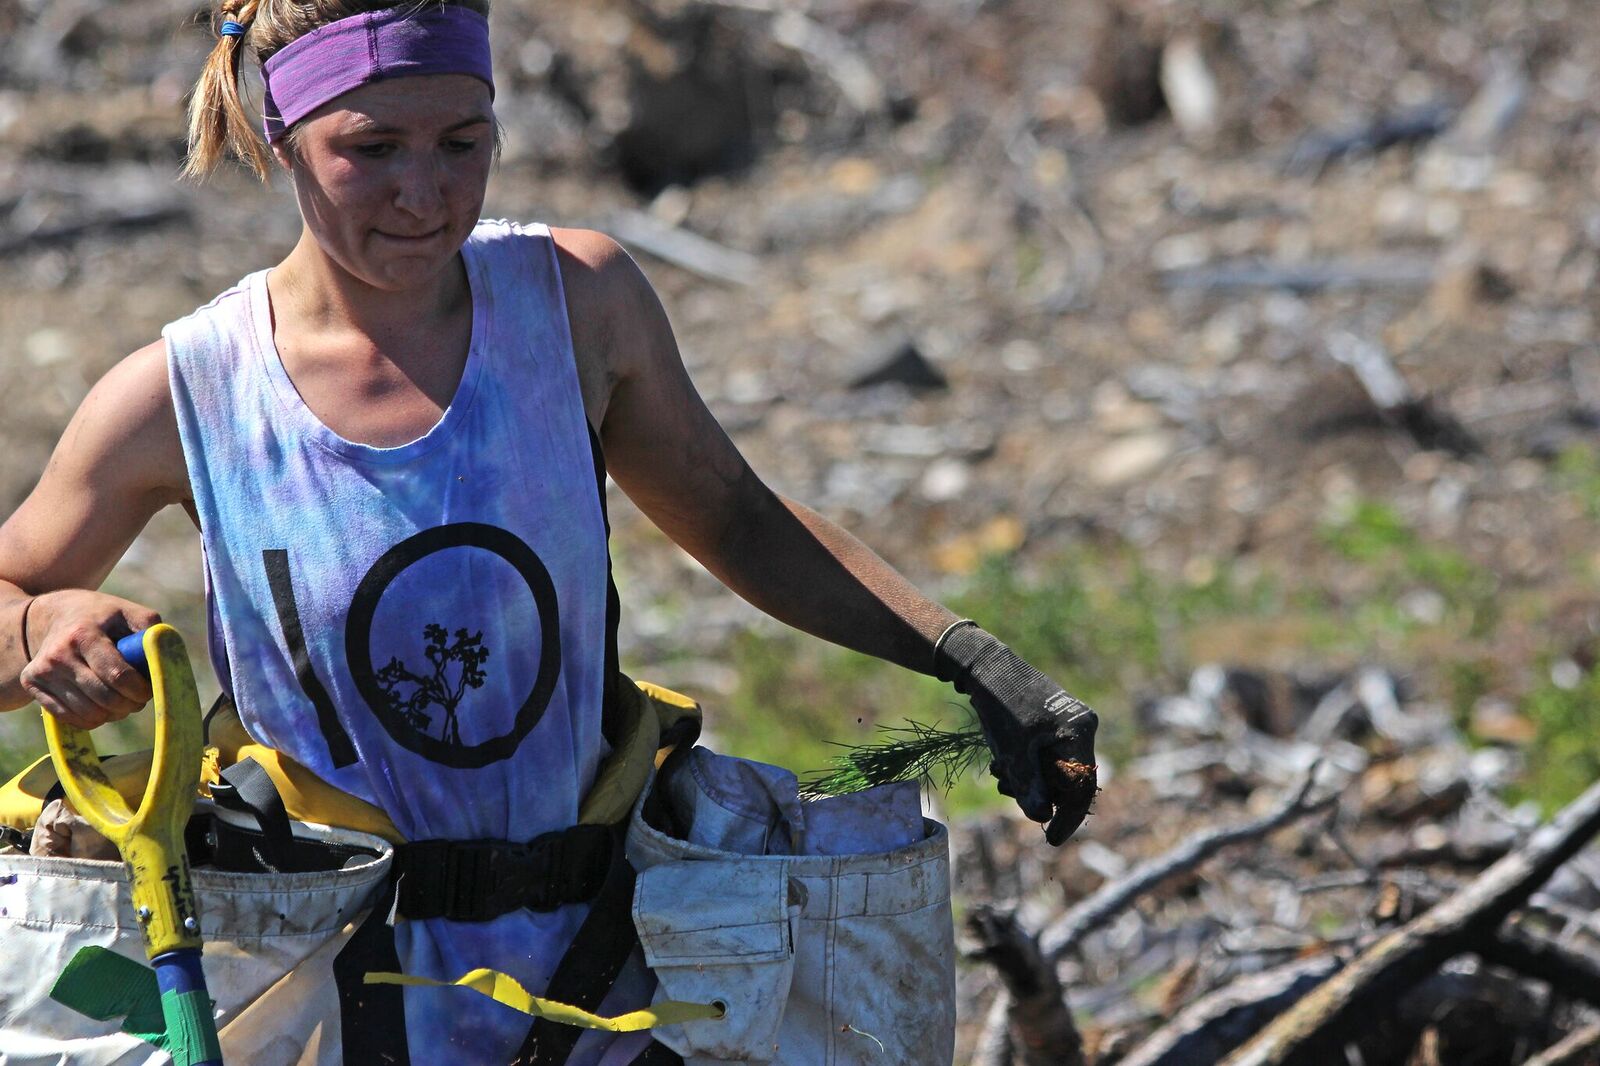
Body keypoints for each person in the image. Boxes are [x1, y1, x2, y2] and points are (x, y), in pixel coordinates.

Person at [0, 0, 1099, 1060]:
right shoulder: (192, 393)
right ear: (281, 134)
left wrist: (970, 660)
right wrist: (50, 618)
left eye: (461, 140)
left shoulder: (573, 308)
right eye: (370, 148)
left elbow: (737, 518)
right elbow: (12, 596)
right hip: (320, 995)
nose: (423, 193)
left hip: (600, 971)